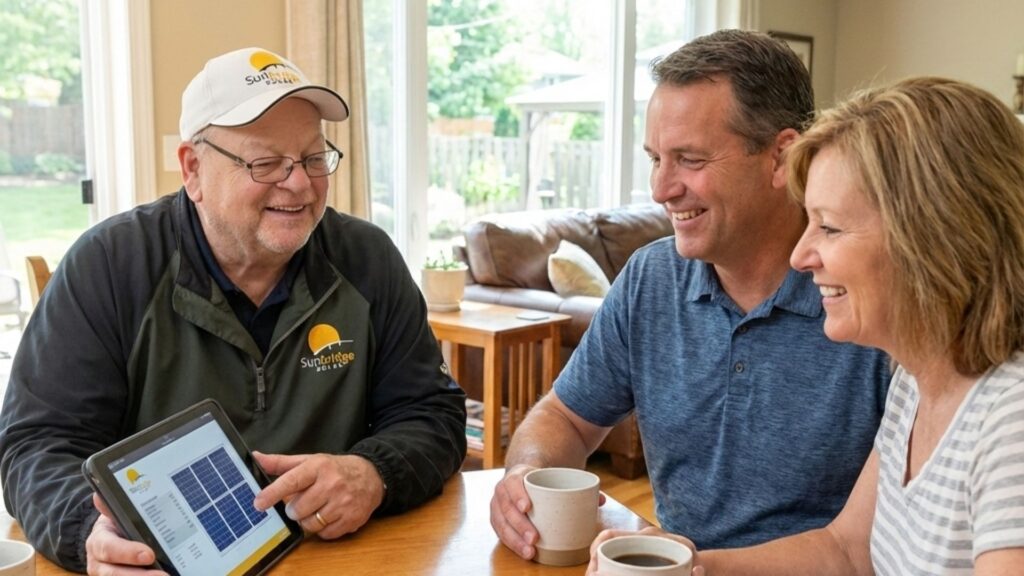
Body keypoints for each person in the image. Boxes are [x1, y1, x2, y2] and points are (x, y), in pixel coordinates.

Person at [0, 47, 467, 573]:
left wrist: (373, 472)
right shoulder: (109, 266)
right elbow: (36, 446)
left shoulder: (367, 259)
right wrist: (90, 532)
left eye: (314, 159)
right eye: (265, 162)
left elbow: (432, 413)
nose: (299, 184)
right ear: (193, 169)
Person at [591, 77, 1024, 575]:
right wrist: (688, 570)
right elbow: (847, 551)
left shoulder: (1010, 419)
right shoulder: (917, 379)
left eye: (830, 227)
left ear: (934, 239)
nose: (801, 256)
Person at [491, 29, 891, 561]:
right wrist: (525, 475)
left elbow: (858, 549)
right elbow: (565, 419)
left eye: (691, 160)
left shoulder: (865, 300)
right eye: (656, 157)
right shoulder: (650, 279)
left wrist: (694, 566)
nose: (660, 188)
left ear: (781, 159)